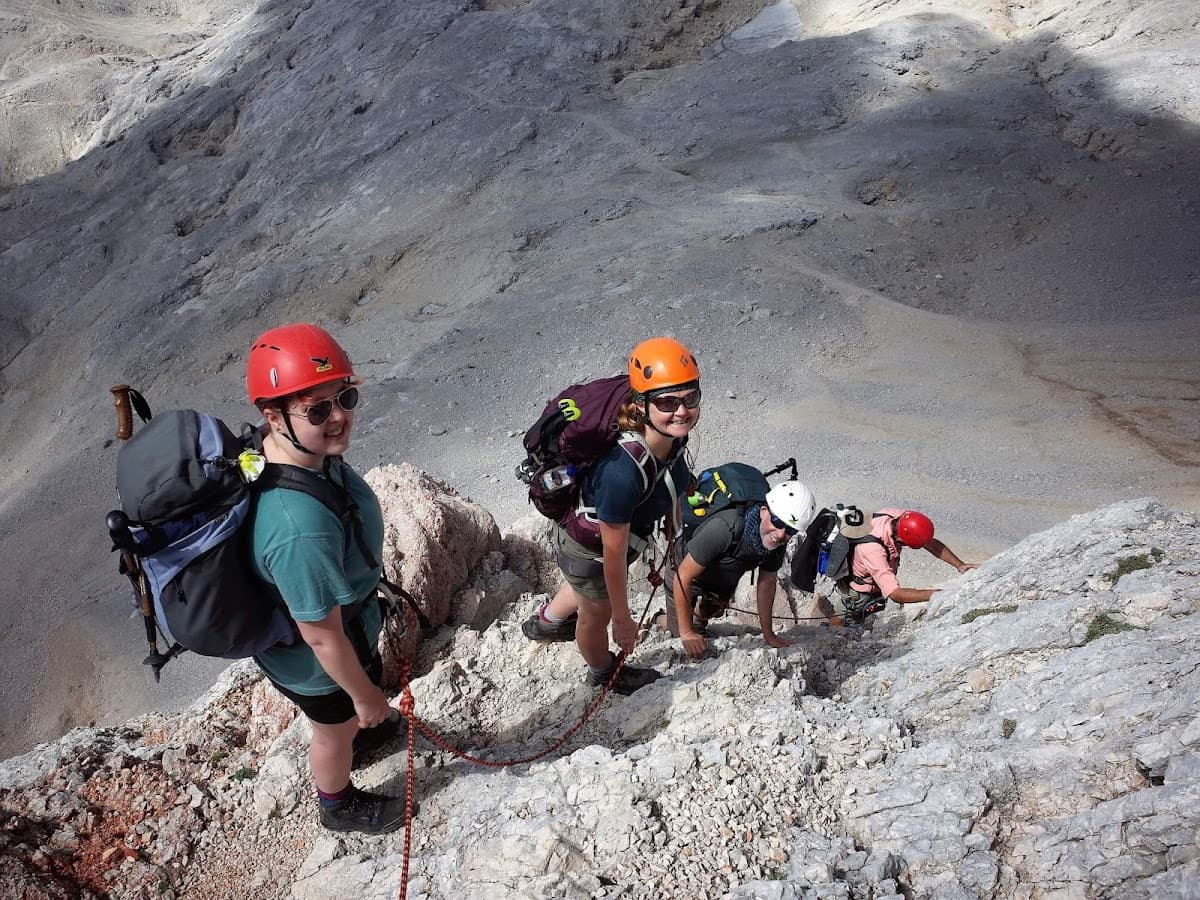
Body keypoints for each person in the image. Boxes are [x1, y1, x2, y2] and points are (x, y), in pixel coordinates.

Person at [246, 323, 405, 835]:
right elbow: (320, 634)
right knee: (332, 730)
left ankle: (364, 732)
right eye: (318, 410)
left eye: (346, 397)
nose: (339, 417)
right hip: (316, 662)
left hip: (347, 629)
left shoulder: (306, 456)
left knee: (351, 712)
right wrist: (363, 698)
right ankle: (337, 804)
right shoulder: (297, 528)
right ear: (274, 417)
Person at [521, 337, 700, 694]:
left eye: (689, 398)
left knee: (585, 590)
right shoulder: (622, 472)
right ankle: (602, 672)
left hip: (593, 552)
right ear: (642, 405)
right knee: (595, 611)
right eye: (667, 401)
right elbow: (613, 556)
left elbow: (668, 472)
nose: (681, 411)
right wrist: (621, 618)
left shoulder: (669, 434)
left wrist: (671, 508)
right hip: (591, 552)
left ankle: (545, 623)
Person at [666, 481, 817, 659]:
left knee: (703, 621)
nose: (781, 533)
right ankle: (662, 620)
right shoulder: (725, 528)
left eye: (790, 529)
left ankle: (697, 621)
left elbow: (767, 582)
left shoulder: (777, 544)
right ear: (764, 512)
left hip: (721, 581)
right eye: (776, 521)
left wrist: (768, 635)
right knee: (679, 635)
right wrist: (686, 633)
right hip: (686, 573)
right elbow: (682, 577)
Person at [819, 508, 977, 625]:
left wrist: (960, 565)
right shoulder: (873, 550)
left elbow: (928, 542)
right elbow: (895, 593)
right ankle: (833, 638)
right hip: (859, 593)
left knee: (866, 618)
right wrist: (936, 594)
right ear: (901, 539)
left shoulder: (895, 517)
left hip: (874, 582)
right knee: (842, 619)